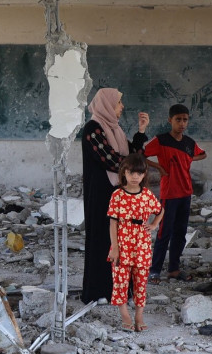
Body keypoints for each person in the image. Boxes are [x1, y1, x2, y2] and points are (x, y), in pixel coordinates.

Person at [81, 88, 150, 304]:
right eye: (119, 103)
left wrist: (141, 132)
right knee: (103, 241)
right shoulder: (93, 130)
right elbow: (113, 161)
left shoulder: (115, 130)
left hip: (118, 195)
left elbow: (130, 155)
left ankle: (119, 291)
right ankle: (99, 291)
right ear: (108, 105)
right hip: (102, 195)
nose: (122, 107)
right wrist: (134, 167)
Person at [144, 104, 207, 284]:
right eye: (178, 119)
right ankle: (154, 270)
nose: (181, 123)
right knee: (164, 232)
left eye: (185, 120)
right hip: (169, 193)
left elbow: (203, 154)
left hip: (186, 193)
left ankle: (173, 269)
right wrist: (158, 167)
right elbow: (141, 154)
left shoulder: (189, 143)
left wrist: (188, 158)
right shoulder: (161, 140)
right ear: (170, 120)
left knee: (180, 232)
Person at [107, 153, 164, 332]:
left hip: (142, 244)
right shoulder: (117, 195)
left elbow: (160, 210)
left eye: (139, 174)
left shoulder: (147, 194)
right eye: (131, 173)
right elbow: (113, 223)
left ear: (144, 174)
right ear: (124, 172)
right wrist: (115, 248)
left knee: (140, 281)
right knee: (120, 281)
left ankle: (139, 315)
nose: (135, 177)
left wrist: (154, 224)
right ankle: (125, 315)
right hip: (122, 244)